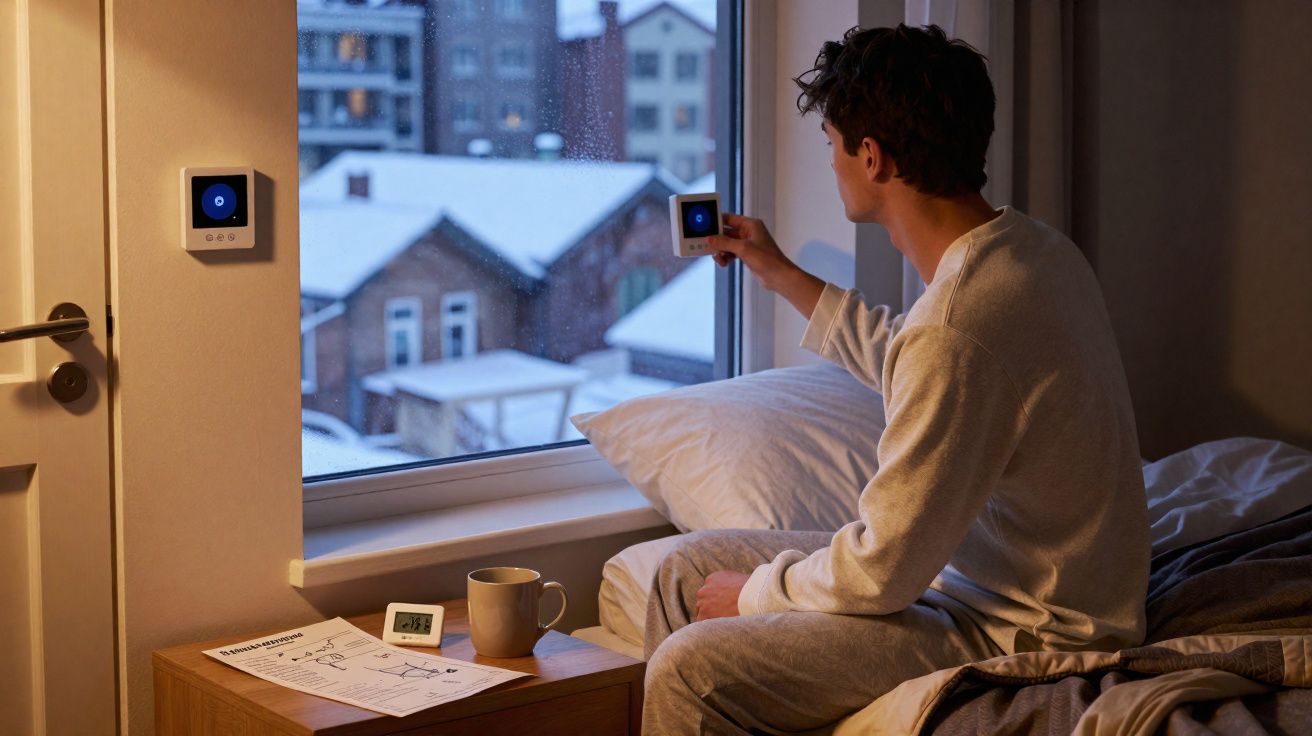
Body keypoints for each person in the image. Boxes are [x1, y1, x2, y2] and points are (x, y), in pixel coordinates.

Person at [641, 23, 1150, 735]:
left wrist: (756, 594)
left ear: (871, 157)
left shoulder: (958, 324)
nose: (831, 159)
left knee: (688, 667)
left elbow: (883, 570)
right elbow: (916, 360)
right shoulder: (1033, 252)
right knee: (683, 570)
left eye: (831, 144)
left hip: (1020, 629)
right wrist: (780, 271)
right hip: (995, 588)